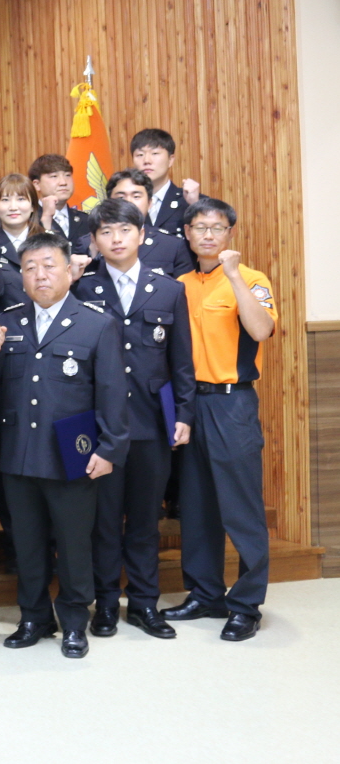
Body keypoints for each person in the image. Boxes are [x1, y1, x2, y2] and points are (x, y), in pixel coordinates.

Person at [0, 231, 129, 659]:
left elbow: (112, 393)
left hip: (72, 457)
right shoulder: (7, 323)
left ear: (69, 271)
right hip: (19, 454)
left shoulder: (97, 324)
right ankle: (34, 617)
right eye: (30, 268)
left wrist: (109, 449)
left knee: (74, 544)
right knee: (26, 543)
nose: (40, 275)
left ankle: (75, 622)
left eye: (49, 266)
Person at [72, 199, 195, 639]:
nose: (116, 239)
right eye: (106, 232)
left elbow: (181, 361)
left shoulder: (169, 290)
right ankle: (106, 603)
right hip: (101, 428)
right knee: (103, 522)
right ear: (94, 240)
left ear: (142, 234)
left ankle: (144, 603)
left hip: (150, 423)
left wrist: (184, 413)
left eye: (125, 230)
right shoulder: (83, 289)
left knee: (145, 520)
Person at [161, 197, 276, 641]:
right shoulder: (179, 285)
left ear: (230, 234)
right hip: (190, 403)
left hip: (232, 403)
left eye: (217, 228)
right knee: (196, 505)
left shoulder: (252, 279)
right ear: (187, 234)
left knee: (241, 507)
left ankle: (246, 605)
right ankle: (205, 593)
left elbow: (261, 330)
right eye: (200, 227)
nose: (208, 235)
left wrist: (233, 276)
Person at [0, 173, 46, 311]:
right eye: (5, 200)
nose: (13, 207)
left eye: (21, 199)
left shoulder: (49, 243)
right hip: (3, 321)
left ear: (33, 206)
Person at [103, 170, 194, 276]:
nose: (129, 202)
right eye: (121, 197)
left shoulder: (173, 246)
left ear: (149, 203)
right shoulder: (91, 244)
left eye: (136, 196)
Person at [129, 129, 202, 237]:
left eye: (155, 153)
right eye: (140, 155)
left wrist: (195, 205)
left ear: (170, 160)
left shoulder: (191, 201)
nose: (147, 160)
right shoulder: (125, 203)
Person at [29, 154, 91, 254]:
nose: (63, 182)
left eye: (67, 175)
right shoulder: (28, 219)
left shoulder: (86, 219)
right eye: (54, 176)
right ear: (37, 184)